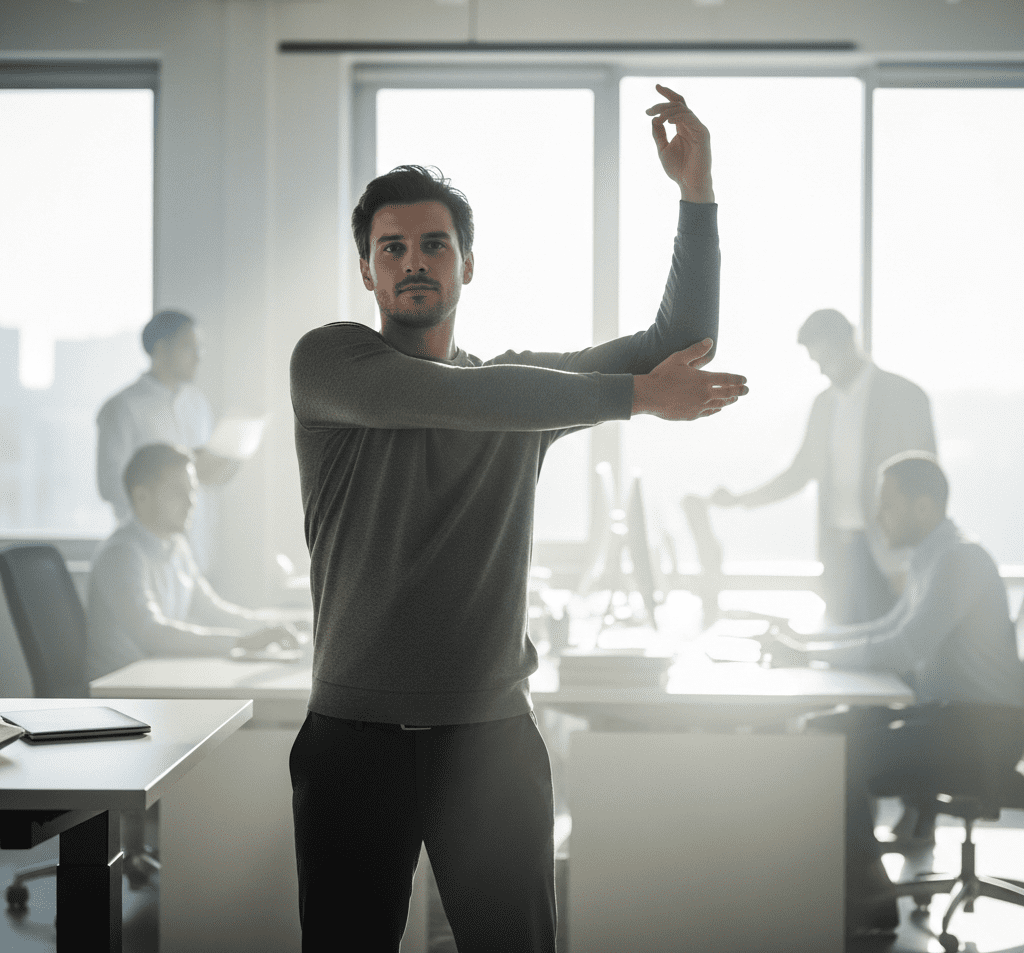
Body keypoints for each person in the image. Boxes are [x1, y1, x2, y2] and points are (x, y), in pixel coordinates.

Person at [287, 85, 749, 952]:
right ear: (367, 270)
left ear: (468, 263)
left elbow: (678, 341)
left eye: (435, 244)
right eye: (394, 248)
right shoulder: (330, 363)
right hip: (353, 741)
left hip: (490, 743)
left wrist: (698, 193)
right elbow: (456, 400)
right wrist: (635, 398)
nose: (414, 261)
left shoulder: (522, 396)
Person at [762, 453, 1024, 936]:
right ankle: (841, 887)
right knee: (825, 731)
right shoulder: (935, 556)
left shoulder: (959, 560)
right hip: (952, 718)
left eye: (888, 506)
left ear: (924, 509)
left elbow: (904, 648)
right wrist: (807, 645)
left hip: (982, 733)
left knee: (839, 759)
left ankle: (871, 907)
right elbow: (888, 628)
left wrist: (807, 656)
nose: (877, 518)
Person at [711, 308, 936, 625]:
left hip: (890, 554)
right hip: (838, 552)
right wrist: (741, 500)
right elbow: (799, 473)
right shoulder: (823, 406)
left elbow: (927, 485)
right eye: (816, 362)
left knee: (886, 656)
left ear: (849, 342)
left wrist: (910, 559)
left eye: (826, 359)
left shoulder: (905, 397)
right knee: (842, 647)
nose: (821, 371)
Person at [86, 442, 298, 680]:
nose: (190, 502)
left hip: (158, 678)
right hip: (121, 689)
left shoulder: (177, 546)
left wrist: (277, 625)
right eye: (178, 492)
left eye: (193, 490)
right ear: (141, 496)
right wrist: (241, 641)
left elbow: (211, 609)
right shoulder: (121, 555)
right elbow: (150, 633)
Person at [95, 309, 238, 570]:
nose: (198, 357)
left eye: (200, 348)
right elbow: (110, 485)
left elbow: (203, 477)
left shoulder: (198, 404)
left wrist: (218, 467)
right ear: (160, 349)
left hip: (196, 554)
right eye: (188, 347)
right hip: (145, 554)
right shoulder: (123, 408)